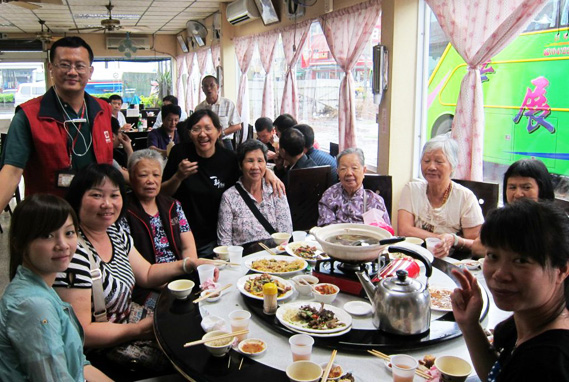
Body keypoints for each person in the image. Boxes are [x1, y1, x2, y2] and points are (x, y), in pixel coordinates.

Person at [54, 164, 201, 380]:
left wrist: (189, 264)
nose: (107, 204)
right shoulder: (73, 252)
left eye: (114, 195)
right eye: (96, 195)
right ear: (77, 198)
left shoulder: (114, 232)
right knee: (187, 359)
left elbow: (147, 273)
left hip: (130, 320)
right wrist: (138, 330)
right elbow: (82, 333)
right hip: (105, 347)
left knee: (195, 328)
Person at [450, 200, 569, 382]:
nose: (500, 274)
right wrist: (469, 325)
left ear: (561, 270)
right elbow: (498, 375)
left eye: (521, 261)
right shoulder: (530, 317)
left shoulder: (547, 364)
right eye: (493, 256)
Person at [0, 194, 110, 382]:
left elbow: (78, 365)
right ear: (20, 243)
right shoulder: (33, 307)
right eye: (47, 235)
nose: (63, 245)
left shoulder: (41, 288)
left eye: (68, 233)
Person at [0, 36, 113, 211]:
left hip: (96, 215)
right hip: (50, 217)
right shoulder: (28, 115)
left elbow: (106, 160)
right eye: (65, 64)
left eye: (80, 66)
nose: (72, 72)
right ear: (51, 68)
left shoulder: (102, 109)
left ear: (90, 71)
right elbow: (12, 172)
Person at [162, 109, 284, 256]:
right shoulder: (179, 153)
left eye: (208, 128)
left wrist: (268, 172)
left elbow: (250, 173)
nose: (202, 134)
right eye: (196, 129)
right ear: (189, 133)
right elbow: (163, 194)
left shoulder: (228, 159)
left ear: (219, 131)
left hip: (216, 238)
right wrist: (178, 176)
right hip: (183, 236)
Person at [123, 149, 217, 304]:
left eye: (156, 175)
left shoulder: (172, 205)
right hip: (146, 285)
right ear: (132, 178)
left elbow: (188, 246)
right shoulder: (124, 211)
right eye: (143, 175)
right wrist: (169, 286)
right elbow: (136, 269)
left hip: (182, 276)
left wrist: (188, 273)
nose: (151, 180)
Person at [398, 135, 484, 258]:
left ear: (452, 166)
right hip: (414, 257)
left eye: (439, 162)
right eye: (426, 161)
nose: (431, 167)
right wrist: (441, 239)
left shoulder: (465, 197)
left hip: (451, 261)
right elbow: (404, 230)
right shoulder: (411, 190)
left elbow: (477, 244)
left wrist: (453, 240)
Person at [217, 139, 292, 246]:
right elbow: (224, 243)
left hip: (275, 257)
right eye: (250, 161)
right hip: (244, 259)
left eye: (260, 161)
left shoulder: (275, 190)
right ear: (240, 165)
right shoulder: (229, 197)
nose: (255, 167)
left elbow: (286, 233)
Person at [318, 148, 390, 227]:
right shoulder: (329, 195)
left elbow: (384, 233)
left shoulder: (374, 201)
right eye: (343, 169)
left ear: (364, 171)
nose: (349, 173)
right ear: (337, 172)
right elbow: (326, 229)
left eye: (354, 168)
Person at [195, 75, 242, 151]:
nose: (209, 88)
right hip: (205, 142)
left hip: (224, 141)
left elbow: (237, 126)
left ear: (217, 87)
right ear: (202, 89)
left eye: (212, 85)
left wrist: (220, 133)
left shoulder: (228, 104)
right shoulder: (199, 108)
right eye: (206, 86)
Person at [111, 116, 132, 182]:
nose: (122, 135)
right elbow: (135, 180)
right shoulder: (108, 159)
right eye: (120, 132)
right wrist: (129, 150)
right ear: (112, 136)